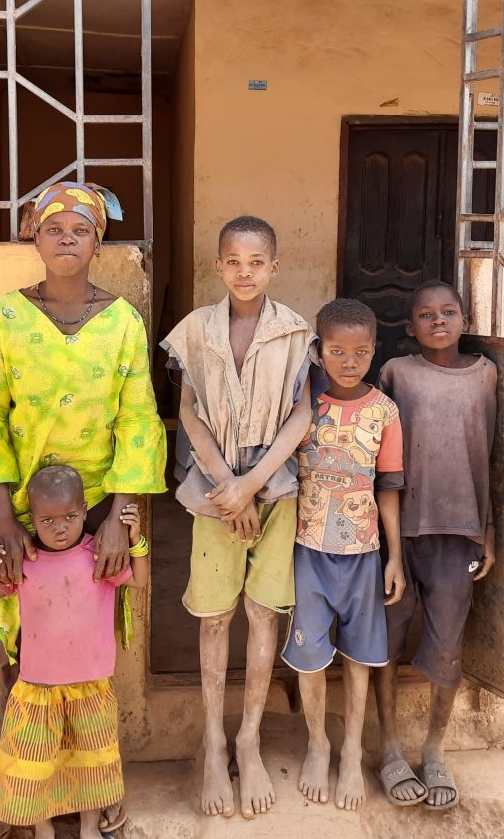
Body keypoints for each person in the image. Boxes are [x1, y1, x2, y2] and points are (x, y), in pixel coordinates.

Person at [0, 181, 166, 839]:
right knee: (20, 656)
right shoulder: (7, 317)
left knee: (86, 659)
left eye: (80, 229)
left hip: (96, 512)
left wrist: (120, 517)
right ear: (34, 238)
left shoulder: (122, 322)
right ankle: (21, 800)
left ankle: (91, 793)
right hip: (25, 512)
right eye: (53, 229)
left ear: (99, 242)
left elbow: (138, 421)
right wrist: (5, 520)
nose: (67, 238)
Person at [159, 216, 314, 820]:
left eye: (256, 262)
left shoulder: (295, 332)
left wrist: (252, 485)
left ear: (274, 266)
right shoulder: (196, 330)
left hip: (273, 487)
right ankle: (214, 741)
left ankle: (248, 741)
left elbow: (300, 416)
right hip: (214, 488)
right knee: (215, 617)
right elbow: (189, 413)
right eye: (233, 261)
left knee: (263, 612)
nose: (244, 272)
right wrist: (230, 486)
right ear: (218, 265)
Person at [0, 465, 151, 839]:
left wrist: (136, 541)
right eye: (47, 520)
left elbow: (138, 579)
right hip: (38, 688)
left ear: (84, 511)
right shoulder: (25, 561)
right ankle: (43, 828)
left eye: (70, 516)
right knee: (32, 765)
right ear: (31, 520)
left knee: (91, 761)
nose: (60, 527)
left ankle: (89, 827)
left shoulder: (100, 554)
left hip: (90, 687)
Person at [372, 280, 496, 811]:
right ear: (410, 326)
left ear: (465, 320)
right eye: (426, 314)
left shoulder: (485, 375)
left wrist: (488, 530)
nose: (438, 320)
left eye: (448, 312)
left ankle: (434, 747)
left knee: (448, 643)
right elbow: (378, 451)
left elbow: (491, 454)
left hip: (460, 532)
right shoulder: (396, 373)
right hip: (400, 530)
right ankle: (389, 747)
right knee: (388, 638)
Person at [282, 298, 405, 812]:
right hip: (308, 552)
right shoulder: (303, 406)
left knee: (359, 658)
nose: (349, 362)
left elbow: (388, 488)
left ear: (374, 351)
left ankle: (351, 750)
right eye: (337, 351)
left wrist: (394, 558)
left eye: (360, 352)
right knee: (310, 659)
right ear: (319, 350)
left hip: (363, 554)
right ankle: (318, 743)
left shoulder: (384, 411)